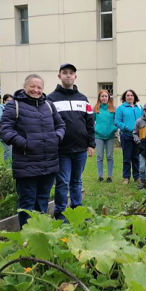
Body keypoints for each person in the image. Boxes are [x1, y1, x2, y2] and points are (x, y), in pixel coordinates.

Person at [0, 74, 65, 228]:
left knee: (42, 199)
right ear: (25, 87)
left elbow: (61, 125)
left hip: (48, 162)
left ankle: (40, 234)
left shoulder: (48, 105)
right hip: (26, 163)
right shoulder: (14, 105)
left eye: (39, 87)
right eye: (32, 86)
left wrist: (56, 137)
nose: (36, 90)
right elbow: (5, 130)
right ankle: (27, 236)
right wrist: (25, 143)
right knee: (27, 201)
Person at [47, 63, 96, 221]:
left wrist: (91, 143)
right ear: (59, 76)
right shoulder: (51, 99)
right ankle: (60, 213)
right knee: (62, 182)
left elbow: (89, 123)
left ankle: (76, 211)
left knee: (76, 181)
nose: (68, 75)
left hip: (81, 149)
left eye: (71, 73)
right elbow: (48, 124)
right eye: (65, 73)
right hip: (61, 150)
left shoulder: (83, 99)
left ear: (75, 76)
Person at [115, 89, 143, 185]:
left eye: (131, 95)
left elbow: (144, 119)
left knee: (136, 157)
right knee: (127, 157)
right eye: (128, 95)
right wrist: (125, 127)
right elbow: (117, 121)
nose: (130, 97)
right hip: (126, 136)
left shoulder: (139, 107)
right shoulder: (120, 108)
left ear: (134, 97)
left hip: (137, 137)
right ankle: (126, 177)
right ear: (125, 97)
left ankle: (137, 177)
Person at [93, 89, 118, 183]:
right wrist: (95, 129)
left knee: (109, 156)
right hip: (98, 136)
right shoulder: (96, 109)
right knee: (99, 156)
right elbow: (90, 121)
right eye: (102, 96)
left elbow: (116, 121)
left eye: (106, 96)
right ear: (99, 98)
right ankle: (100, 176)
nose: (104, 98)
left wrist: (114, 128)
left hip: (110, 136)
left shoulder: (113, 109)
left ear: (108, 98)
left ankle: (109, 176)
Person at [0, 93, 13, 161]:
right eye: (8, 100)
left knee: (14, 151)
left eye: (12, 101)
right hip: (4, 133)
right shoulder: (0, 108)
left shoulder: (14, 107)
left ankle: (12, 167)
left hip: (13, 133)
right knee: (8, 151)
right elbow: (1, 118)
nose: (10, 102)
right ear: (4, 101)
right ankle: (7, 168)